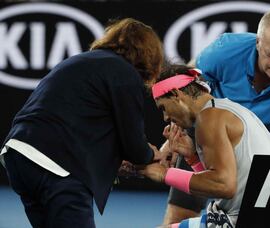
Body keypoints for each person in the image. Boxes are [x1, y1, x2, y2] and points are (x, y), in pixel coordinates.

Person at [163, 9, 270, 224]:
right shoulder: (225, 51)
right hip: (208, 142)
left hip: (263, 149)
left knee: (252, 222)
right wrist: (171, 140)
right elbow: (183, 93)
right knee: (180, 216)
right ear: (258, 43)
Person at [0, 18, 164, 228]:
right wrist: (152, 155)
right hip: (56, 164)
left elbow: (80, 127)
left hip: (18, 156)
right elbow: (134, 146)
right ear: (149, 54)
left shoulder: (81, 62)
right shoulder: (125, 73)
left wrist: (114, 161)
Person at [139, 65, 270, 227]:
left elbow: (224, 186)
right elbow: (222, 187)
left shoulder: (210, 117)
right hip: (257, 217)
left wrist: (164, 174)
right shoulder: (224, 109)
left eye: (163, 108)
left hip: (241, 220)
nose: (165, 117)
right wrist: (193, 159)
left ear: (177, 95)